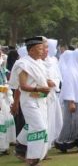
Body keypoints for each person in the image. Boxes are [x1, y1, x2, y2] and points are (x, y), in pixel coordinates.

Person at [11, 37, 50, 166]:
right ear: (31, 50)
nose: (42, 51)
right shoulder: (24, 64)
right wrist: (39, 88)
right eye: (40, 48)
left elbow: (40, 80)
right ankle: (32, 157)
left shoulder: (39, 63)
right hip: (29, 102)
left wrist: (47, 83)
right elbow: (21, 86)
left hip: (41, 100)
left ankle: (20, 148)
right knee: (39, 127)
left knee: (32, 125)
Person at [42, 38, 63, 152]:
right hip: (42, 94)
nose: (46, 50)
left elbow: (57, 76)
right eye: (44, 48)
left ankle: (49, 144)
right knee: (44, 122)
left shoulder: (53, 60)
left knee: (54, 120)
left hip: (53, 92)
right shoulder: (38, 62)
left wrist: (54, 82)